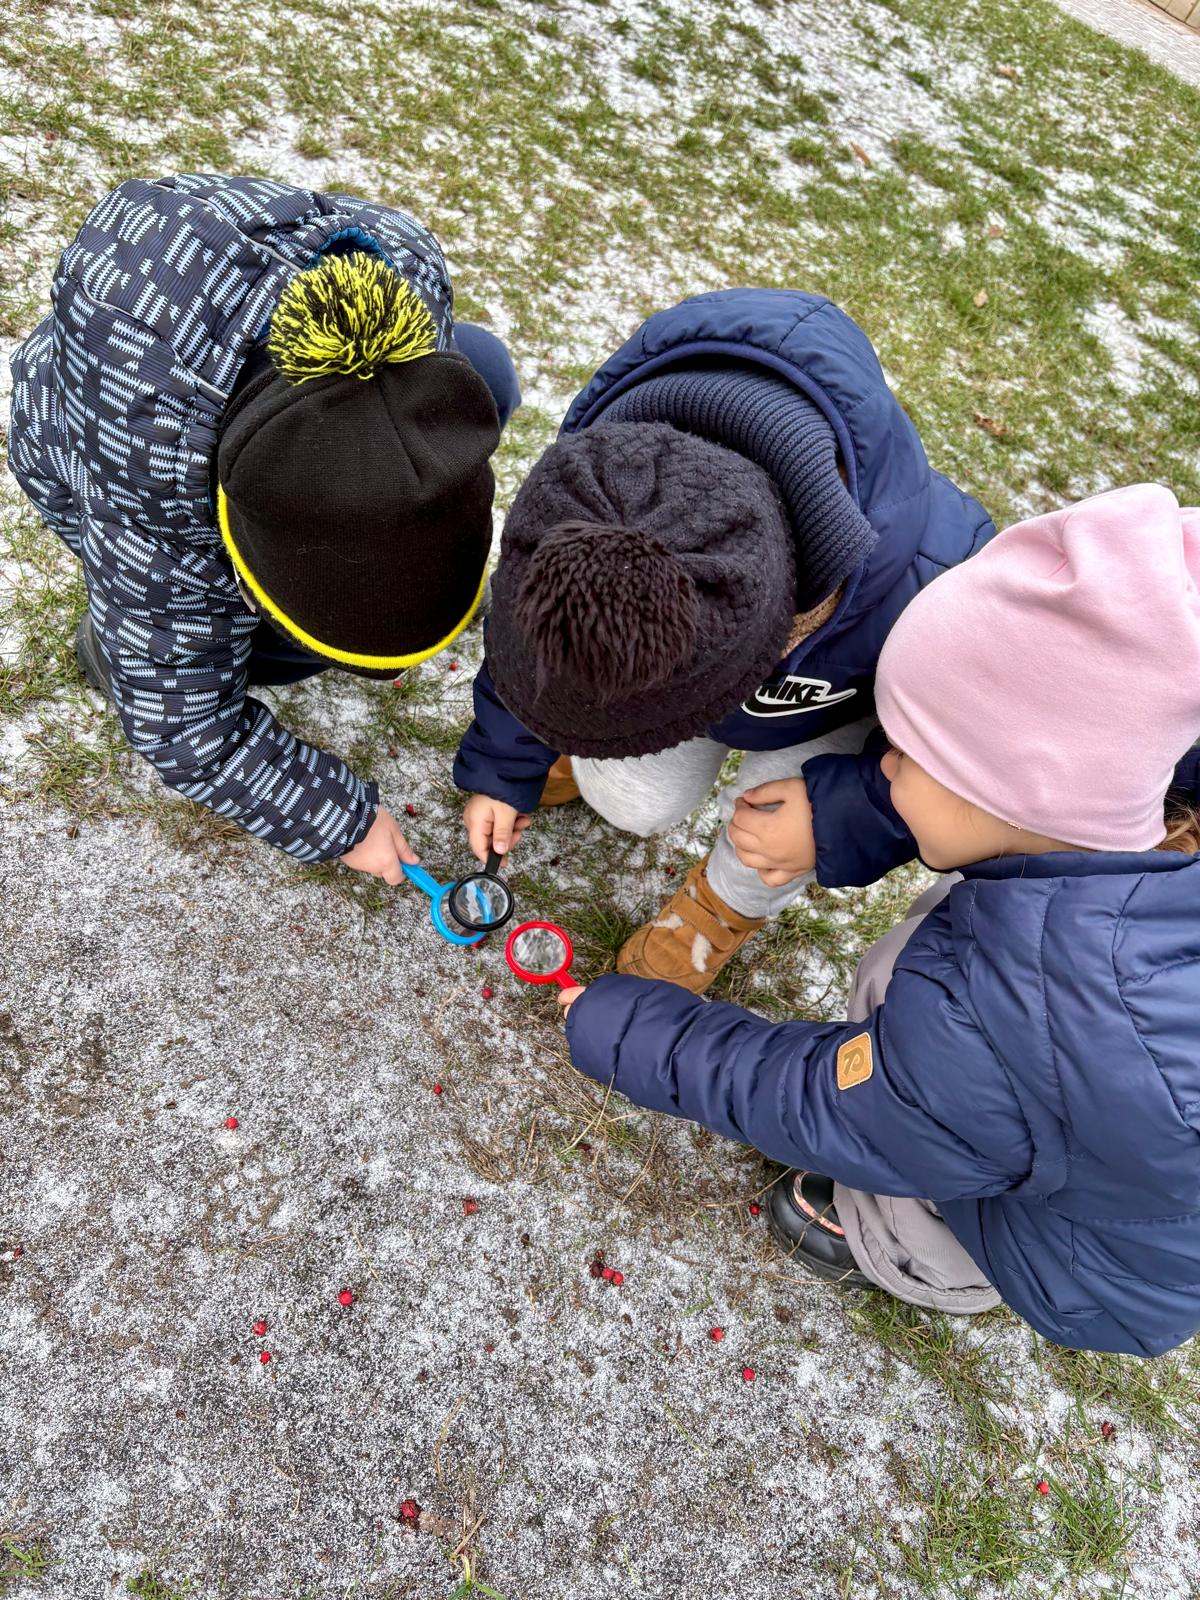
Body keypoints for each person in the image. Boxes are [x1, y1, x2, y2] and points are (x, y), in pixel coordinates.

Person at [558, 484, 1200, 1358]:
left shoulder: (1007, 1027)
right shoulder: (1116, 858)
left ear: (1010, 790)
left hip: (1099, 1269)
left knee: (926, 1143)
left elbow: (810, 1098)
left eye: (911, 751)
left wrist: (618, 1024)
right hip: (1114, 1139)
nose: (883, 761)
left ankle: (912, 1244)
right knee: (926, 1023)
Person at [453, 288, 996, 991]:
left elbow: (958, 772)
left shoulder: (940, 593)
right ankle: (593, 736)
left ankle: (722, 908)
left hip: (842, 712)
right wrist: (509, 762)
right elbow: (537, 636)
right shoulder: (594, 484)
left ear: (782, 633)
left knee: (772, 834)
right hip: (697, 670)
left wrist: (838, 815)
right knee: (633, 796)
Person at [7, 174, 519, 881]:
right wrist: (341, 821)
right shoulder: (152, 495)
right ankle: (111, 647)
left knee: (484, 368)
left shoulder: (405, 280)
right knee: (196, 654)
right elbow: (187, 733)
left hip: (217, 406)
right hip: (99, 454)